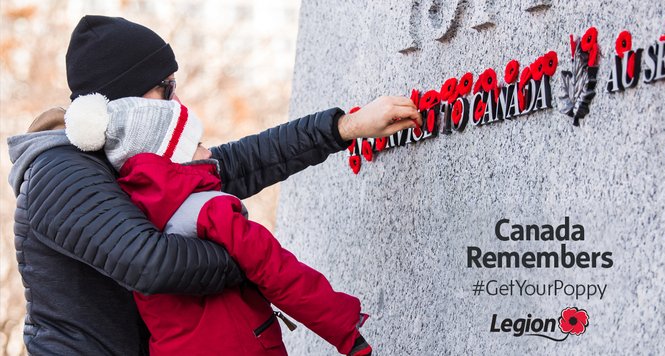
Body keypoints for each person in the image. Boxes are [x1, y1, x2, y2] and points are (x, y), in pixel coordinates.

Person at [6, 15, 421, 355]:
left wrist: (346, 127)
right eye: (166, 88)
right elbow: (152, 264)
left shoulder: (126, 167)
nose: (176, 102)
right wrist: (247, 249)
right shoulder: (59, 173)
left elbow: (236, 165)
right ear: (124, 100)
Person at [64, 93, 372, 355]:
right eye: (197, 143)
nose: (210, 152)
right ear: (176, 156)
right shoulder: (212, 208)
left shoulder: (131, 220)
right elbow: (280, 273)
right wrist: (346, 330)